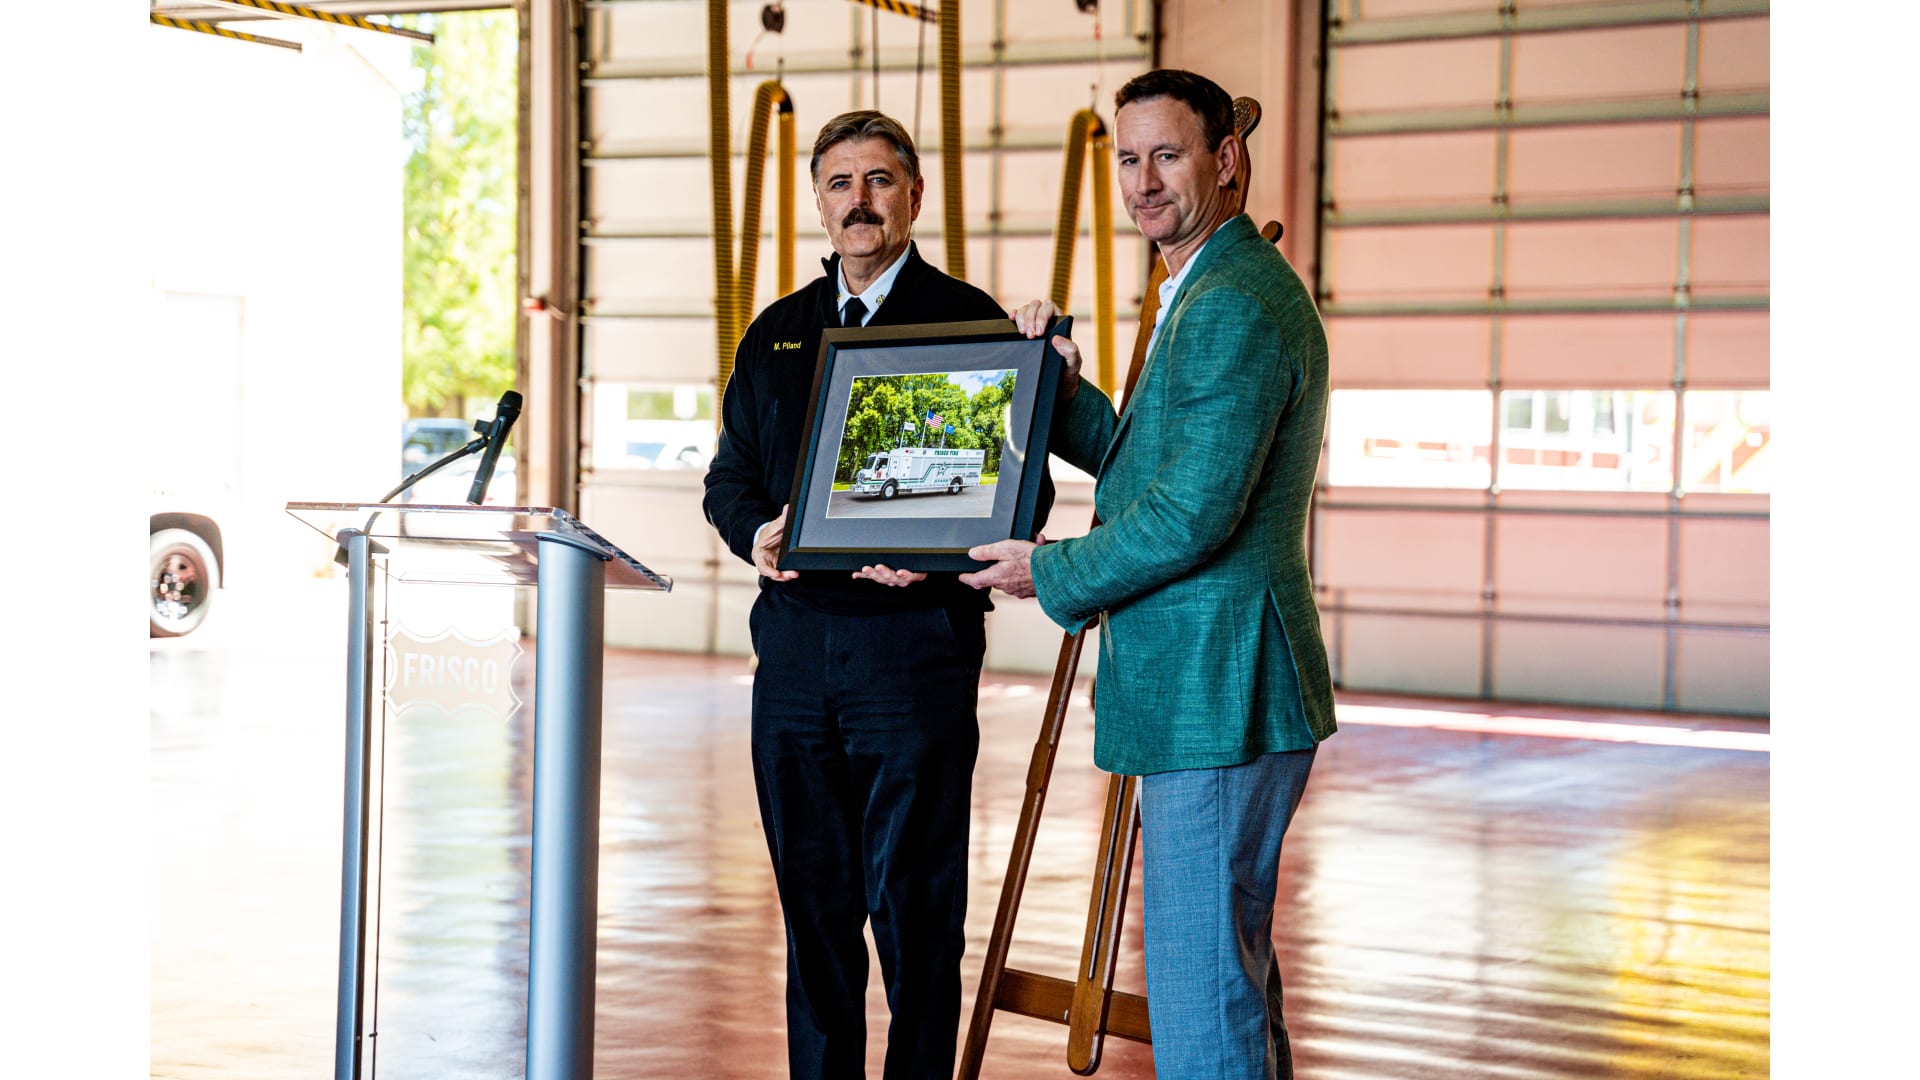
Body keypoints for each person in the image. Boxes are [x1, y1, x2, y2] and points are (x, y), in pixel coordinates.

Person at [960, 69, 1335, 1079]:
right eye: (1129, 159)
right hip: (1215, 686)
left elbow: (1192, 513)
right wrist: (1058, 390)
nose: (1144, 182)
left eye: (1168, 154)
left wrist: (1051, 569)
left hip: (1218, 689)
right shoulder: (1208, 286)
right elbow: (1153, 463)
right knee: (1226, 976)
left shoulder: (1231, 304)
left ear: (1226, 157)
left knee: (1200, 990)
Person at [702, 109, 1049, 1080]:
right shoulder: (776, 335)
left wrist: (936, 558)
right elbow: (729, 480)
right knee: (812, 908)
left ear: (915, 195)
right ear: (818, 202)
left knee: (916, 907)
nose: (859, 201)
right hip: (795, 654)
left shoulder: (973, 324)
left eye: (880, 180)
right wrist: (757, 534)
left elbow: (1025, 492)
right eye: (840, 183)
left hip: (915, 651)